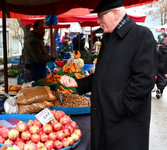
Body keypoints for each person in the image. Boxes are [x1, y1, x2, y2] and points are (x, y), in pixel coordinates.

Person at [60, 0, 157, 150]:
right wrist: (79, 83)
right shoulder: (108, 38)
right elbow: (101, 75)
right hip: (104, 119)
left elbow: (144, 81)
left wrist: (120, 106)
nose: (98, 21)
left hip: (125, 125)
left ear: (115, 13)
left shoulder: (142, 35)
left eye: (100, 16)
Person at [156, 34, 167, 99]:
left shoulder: (158, 50)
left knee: (158, 78)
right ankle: (160, 90)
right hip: (165, 67)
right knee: (163, 79)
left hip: (157, 66)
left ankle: (159, 90)